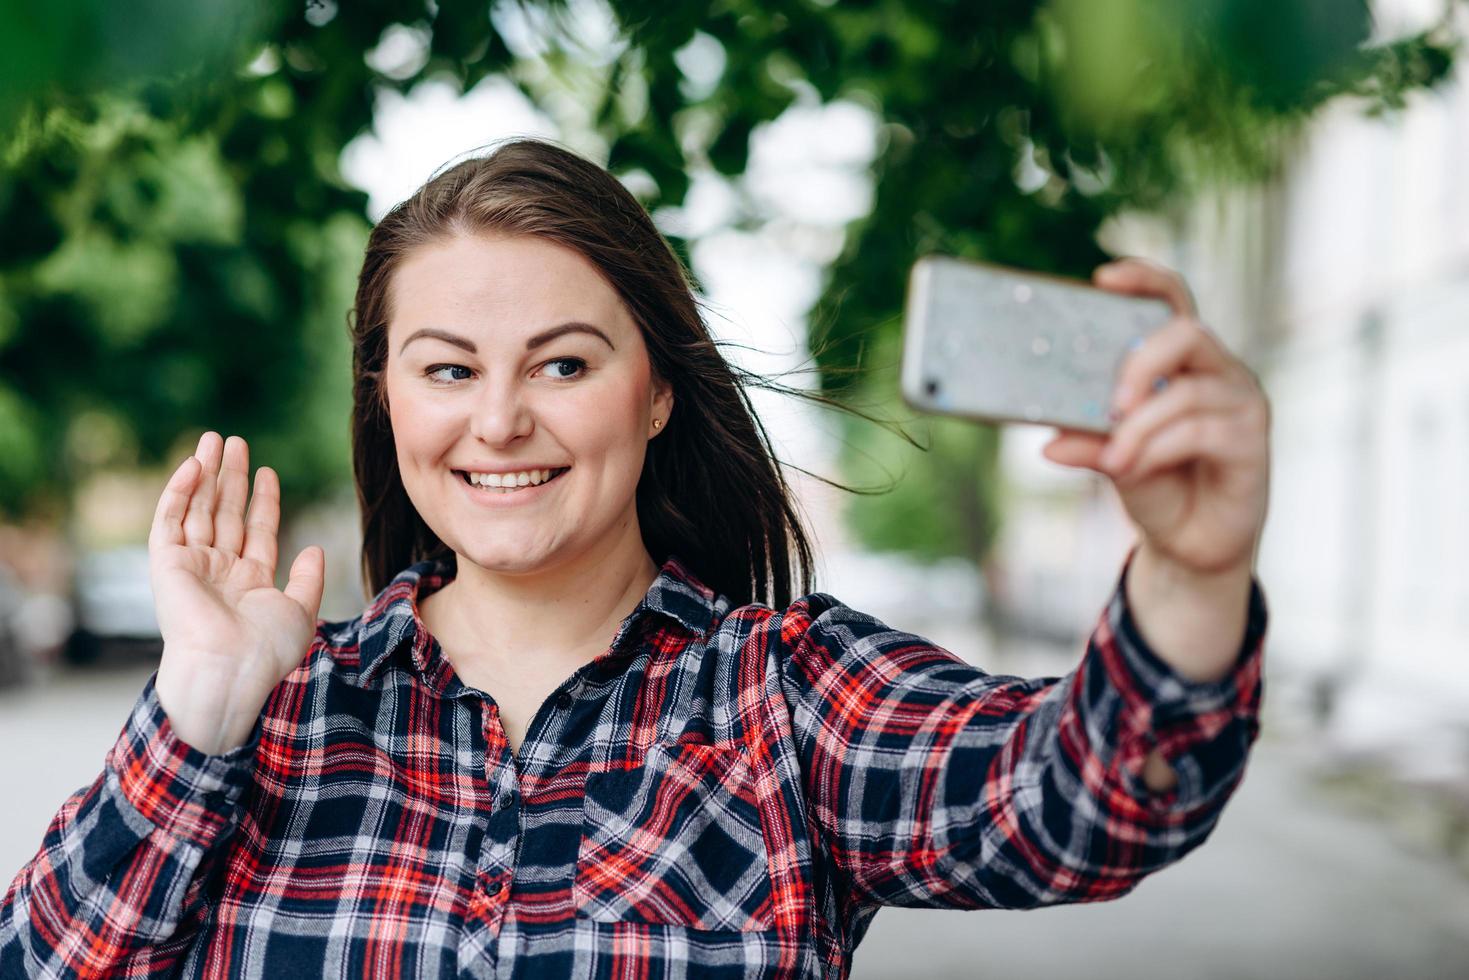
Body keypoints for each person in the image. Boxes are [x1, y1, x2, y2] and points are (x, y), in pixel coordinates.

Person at [0, 138, 1269, 980]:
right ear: (386, 396)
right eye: (447, 368)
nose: (497, 421)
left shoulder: (785, 699)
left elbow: (1079, 806)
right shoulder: (264, 717)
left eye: (562, 362)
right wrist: (195, 723)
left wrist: (1191, 573)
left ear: (654, 390)